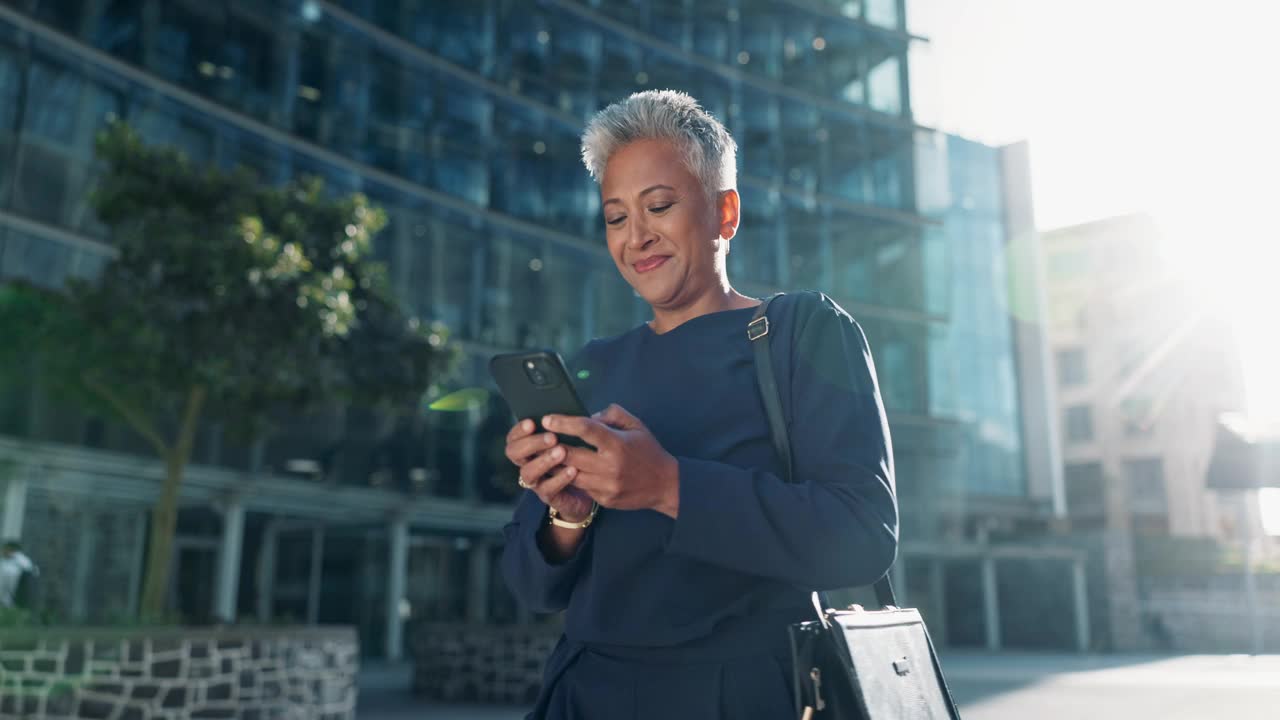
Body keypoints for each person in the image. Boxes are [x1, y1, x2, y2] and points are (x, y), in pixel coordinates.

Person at [500, 90, 898, 719]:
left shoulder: (802, 332)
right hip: (585, 695)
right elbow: (531, 585)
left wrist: (668, 485)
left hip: (741, 698)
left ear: (725, 212)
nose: (638, 237)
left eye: (659, 206)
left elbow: (862, 538)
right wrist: (566, 515)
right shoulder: (595, 365)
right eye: (615, 216)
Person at [0, 540, 38, 609]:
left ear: (10, 549)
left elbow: (32, 570)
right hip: (10, 597)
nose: (2, 551)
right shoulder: (4, 561)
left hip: (15, 597)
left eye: (5, 549)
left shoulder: (18, 561)